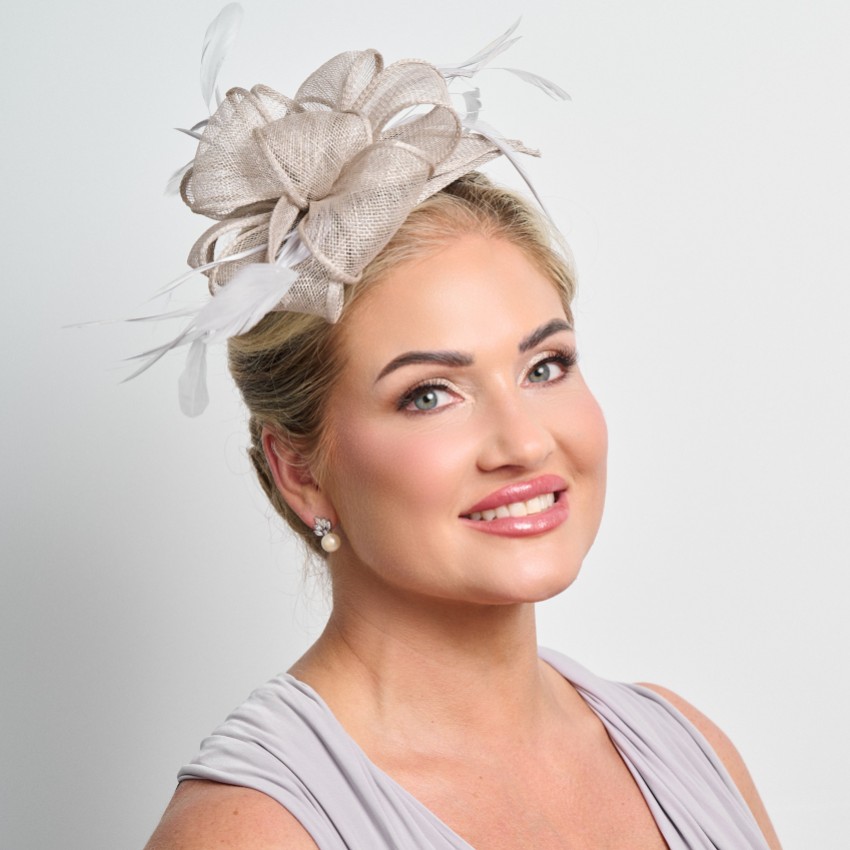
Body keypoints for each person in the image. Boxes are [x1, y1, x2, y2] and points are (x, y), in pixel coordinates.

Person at [142, 9, 782, 850]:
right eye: (430, 394)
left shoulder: (691, 750)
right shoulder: (253, 833)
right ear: (299, 468)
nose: (523, 441)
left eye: (544, 367)